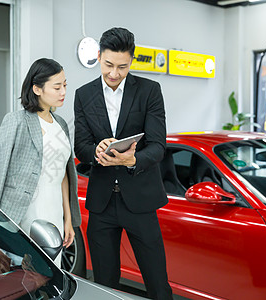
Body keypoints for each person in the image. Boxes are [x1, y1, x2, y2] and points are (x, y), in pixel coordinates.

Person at [74, 27, 173, 299]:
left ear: (131, 60)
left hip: (141, 201)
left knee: (157, 282)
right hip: (101, 204)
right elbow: (80, 146)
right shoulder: (84, 95)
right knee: (104, 283)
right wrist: (97, 150)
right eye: (108, 65)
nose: (114, 73)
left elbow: (157, 146)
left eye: (122, 66)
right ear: (98, 56)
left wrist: (133, 159)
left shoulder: (150, 91)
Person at [0, 58, 81, 266]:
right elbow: (1, 173)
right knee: (25, 272)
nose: (63, 92)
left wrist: (67, 219)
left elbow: (63, 175)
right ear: (37, 89)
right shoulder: (16, 121)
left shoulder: (60, 124)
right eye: (57, 87)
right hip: (26, 211)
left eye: (65, 85)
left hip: (54, 211)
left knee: (52, 272)